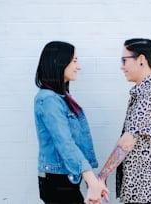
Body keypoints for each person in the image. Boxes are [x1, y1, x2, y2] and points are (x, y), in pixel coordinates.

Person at [97, 38, 151, 204]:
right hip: (140, 192)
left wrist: (101, 177)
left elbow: (126, 142)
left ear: (141, 60)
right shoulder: (145, 92)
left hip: (147, 193)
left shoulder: (150, 95)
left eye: (124, 60)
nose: (122, 66)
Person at [34, 41, 108, 204]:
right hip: (56, 181)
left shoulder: (61, 98)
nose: (78, 66)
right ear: (58, 62)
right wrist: (91, 179)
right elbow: (64, 142)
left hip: (65, 178)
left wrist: (92, 181)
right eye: (74, 61)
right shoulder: (48, 100)